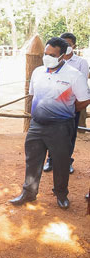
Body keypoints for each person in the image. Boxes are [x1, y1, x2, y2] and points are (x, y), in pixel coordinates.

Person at [9, 37, 90, 210]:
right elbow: (33, 94)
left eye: (52, 55)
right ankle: (29, 193)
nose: (47, 57)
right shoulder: (37, 72)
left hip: (61, 126)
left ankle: (61, 194)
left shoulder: (74, 76)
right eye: (46, 54)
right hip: (36, 125)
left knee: (61, 162)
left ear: (62, 56)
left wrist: (67, 109)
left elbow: (84, 100)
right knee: (32, 159)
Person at [43, 33, 89, 174]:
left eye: (68, 44)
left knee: (70, 134)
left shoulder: (81, 63)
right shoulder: (52, 60)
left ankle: (66, 160)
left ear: (74, 45)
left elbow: (81, 86)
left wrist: (71, 106)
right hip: (53, 105)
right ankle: (50, 159)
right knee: (51, 133)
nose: (66, 46)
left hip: (72, 105)